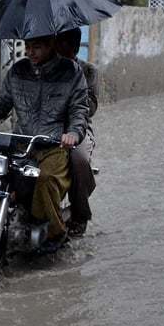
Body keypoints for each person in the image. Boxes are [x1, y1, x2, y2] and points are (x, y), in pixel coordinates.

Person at [0, 35, 89, 250]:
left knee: (46, 178)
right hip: (20, 142)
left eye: (37, 47)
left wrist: (73, 133)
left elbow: (79, 110)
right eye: (27, 46)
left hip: (53, 145)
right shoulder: (18, 71)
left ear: (51, 46)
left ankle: (54, 232)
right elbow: (1, 103)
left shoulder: (71, 72)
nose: (30, 52)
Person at [55, 28, 98, 237]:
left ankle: (80, 215)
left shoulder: (87, 71)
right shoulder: (46, 69)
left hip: (78, 129)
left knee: (78, 159)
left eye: (66, 46)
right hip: (46, 128)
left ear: (75, 47)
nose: (61, 51)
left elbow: (90, 107)